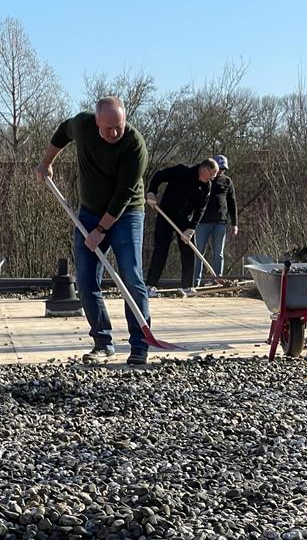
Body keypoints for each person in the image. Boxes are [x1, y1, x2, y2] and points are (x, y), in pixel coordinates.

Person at [35, 96, 151, 366]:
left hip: (127, 213)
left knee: (131, 277)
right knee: (86, 281)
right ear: (97, 121)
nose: (114, 133)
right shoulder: (82, 125)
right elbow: (61, 133)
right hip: (89, 212)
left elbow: (123, 194)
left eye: (119, 127)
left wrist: (101, 229)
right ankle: (102, 343)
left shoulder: (135, 145)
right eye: (108, 128)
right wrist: (46, 162)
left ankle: (140, 344)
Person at [145, 158, 219, 296]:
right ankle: (150, 285)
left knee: (188, 250)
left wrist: (192, 228)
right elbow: (159, 175)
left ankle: (187, 286)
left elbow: (201, 209)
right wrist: (151, 192)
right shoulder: (182, 170)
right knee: (161, 249)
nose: (213, 178)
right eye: (212, 174)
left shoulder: (206, 186)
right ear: (204, 169)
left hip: (185, 219)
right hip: (166, 214)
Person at [193, 154, 238, 288]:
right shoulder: (204, 179)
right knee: (198, 252)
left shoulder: (227, 182)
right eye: (220, 169)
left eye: (223, 169)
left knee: (218, 253)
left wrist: (235, 224)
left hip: (220, 223)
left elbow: (232, 203)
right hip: (202, 222)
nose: (221, 172)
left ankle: (217, 281)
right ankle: (195, 282)